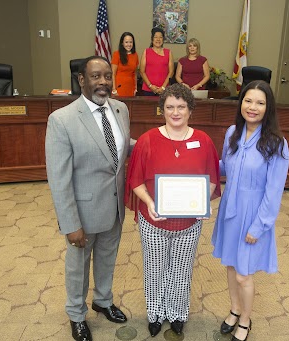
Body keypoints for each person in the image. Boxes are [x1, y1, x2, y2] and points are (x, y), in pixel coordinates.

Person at [45, 56, 133, 341]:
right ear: (82, 80)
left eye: (107, 76)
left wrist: (158, 141)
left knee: (108, 258)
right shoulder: (62, 119)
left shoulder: (121, 109)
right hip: (82, 212)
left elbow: (121, 146)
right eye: (96, 76)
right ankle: (76, 313)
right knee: (78, 267)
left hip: (115, 206)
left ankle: (103, 300)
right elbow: (59, 178)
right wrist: (70, 223)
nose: (103, 82)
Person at [125, 83, 221, 337]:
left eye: (181, 107)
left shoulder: (203, 141)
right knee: (154, 269)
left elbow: (212, 178)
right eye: (170, 107)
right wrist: (149, 202)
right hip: (154, 220)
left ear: (190, 110)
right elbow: (135, 180)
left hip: (188, 224)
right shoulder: (147, 141)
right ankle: (155, 313)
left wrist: (204, 201)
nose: (175, 112)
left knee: (182, 269)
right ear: (162, 110)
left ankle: (177, 313)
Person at [212, 80, 289, 341]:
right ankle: (234, 310)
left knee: (245, 274)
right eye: (248, 100)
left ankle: (245, 320)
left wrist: (259, 226)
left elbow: (274, 190)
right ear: (241, 102)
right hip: (230, 210)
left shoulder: (276, 143)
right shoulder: (233, 131)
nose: (252, 107)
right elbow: (226, 167)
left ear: (268, 108)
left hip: (254, 214)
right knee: (231, 266)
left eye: (259, 102)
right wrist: (199, 166)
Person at [139, 27, 174, 96]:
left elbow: (171, 72)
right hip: (148, 89)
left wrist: (163, 87)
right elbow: (142, 71)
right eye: (155, 37)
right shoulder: (146, 52)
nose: (158, 39)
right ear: (152, 39)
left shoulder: (168, 52)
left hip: (165, 90)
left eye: (160, 37)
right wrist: (150, 86)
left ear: (163, 39)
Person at [111, 32, 139, 97]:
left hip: (130, 87)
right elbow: (113, 74)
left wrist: (135, 88)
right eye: (126, 42)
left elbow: (135, 74)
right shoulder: (116, 54)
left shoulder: (135, 55)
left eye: (130, 42)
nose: (129, 44)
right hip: (119, 87)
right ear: (122, 43)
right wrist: (114, 89)